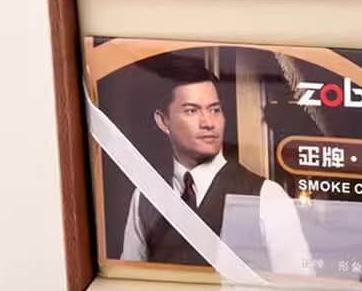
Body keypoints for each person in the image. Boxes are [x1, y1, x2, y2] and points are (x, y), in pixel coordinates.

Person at [121, 57, 313, 275]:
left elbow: (299, 286)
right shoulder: (146, 196)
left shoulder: (266, 196)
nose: (208, 123)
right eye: (192, 111)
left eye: (214, 110)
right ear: (164, 121)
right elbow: (129, 281)